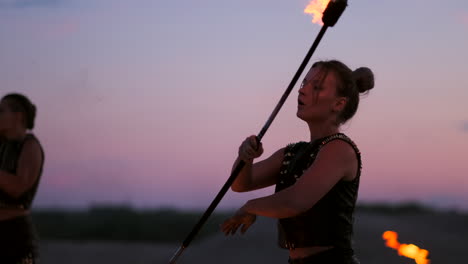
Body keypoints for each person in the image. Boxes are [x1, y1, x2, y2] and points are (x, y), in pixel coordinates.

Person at [221, 60, 375, 264]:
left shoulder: (339, 149)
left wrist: (250, 207)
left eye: (317, 87)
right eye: (304, 84)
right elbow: (241, 184)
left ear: (339, 104)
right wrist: (245, 157)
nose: (302, 91)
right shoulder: (291, 153)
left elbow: (295, 202)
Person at [0, 93, 45, 264]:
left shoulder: (30, 146)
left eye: (1, 111)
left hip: (13, 234)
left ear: (18, 116)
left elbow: (18, 186)